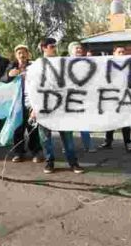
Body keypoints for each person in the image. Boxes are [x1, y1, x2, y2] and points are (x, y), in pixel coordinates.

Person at [30, 38, 84, 174]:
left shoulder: (62, 63)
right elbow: (31, 88)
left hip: (62, 107)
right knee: (45, 139)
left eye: (55, 46)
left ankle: (73, 163)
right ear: (43, 48)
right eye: (52, 46)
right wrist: (33, 108)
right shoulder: (36, 65)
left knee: (68, 137)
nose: (54, 48)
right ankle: (49, 162)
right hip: (43, 107)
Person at [1, 44, 43, 163]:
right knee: (18, 129)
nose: (22, 55)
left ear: (28, 54)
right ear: (16, 55)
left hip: (31, 103)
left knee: (33, 128)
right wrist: (9, 75)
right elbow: (2, 80)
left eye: (24, 52)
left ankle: (36, 151)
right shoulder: (12, 66)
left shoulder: (34, 66)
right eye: (19, 53)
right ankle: (19, 153)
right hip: (17, 104)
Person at [99, 45, 131, 152]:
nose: (122, 54)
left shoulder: (130, 65)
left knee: (125, 122)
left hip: (125, 97)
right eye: (119, 52)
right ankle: (108, 141)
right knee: (111, 120)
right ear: (114, 53)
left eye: (123, 52)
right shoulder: (108, 64)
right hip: (112, 98)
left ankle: (128, 143)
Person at [68, 41, 96, 153]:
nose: (79, 50)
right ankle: (67, 146)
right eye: (76, 48)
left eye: (80, 48)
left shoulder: (86, 62)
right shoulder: (63, 62)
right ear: (71, 51)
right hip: (69, 99)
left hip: (83, 97)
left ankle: (88, 145)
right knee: (68, 125)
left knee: (84, 122)